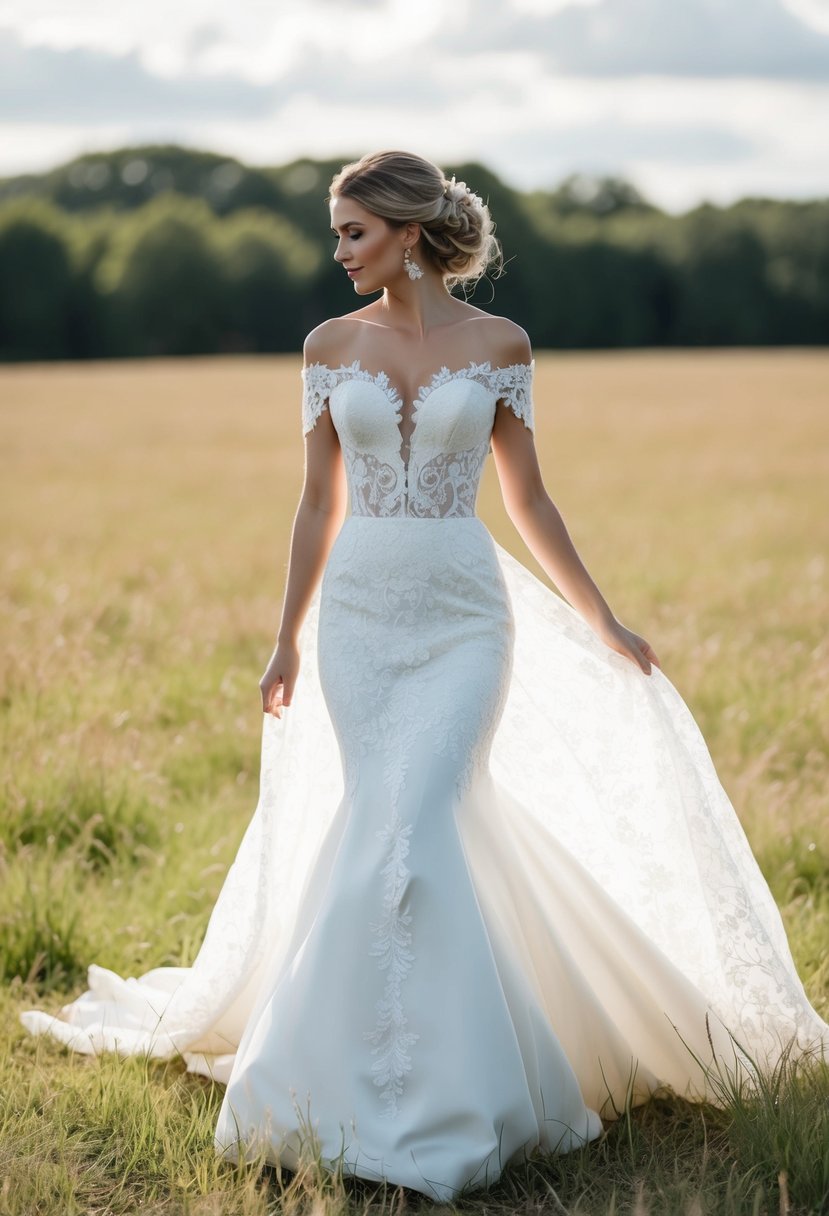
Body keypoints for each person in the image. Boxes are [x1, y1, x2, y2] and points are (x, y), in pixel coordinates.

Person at [20, 150, 828, 1202]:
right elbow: (317, 503)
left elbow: (529, 501)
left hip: (461, 616)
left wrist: (603, 617)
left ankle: (454, 1097)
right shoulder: (325, 347)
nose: (340, 250)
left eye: (354, 231)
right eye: (336, 232)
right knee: (378, 819)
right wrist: (286, 638)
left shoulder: (500, 345)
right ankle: (328, 1086)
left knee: (426, 815)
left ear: (407, 232)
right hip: (360, 616)